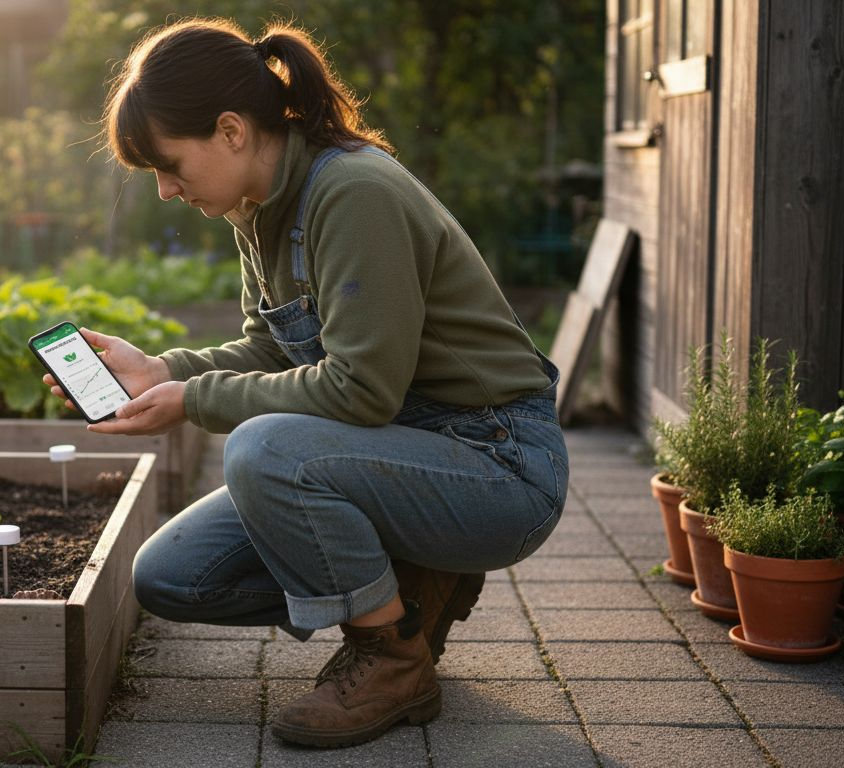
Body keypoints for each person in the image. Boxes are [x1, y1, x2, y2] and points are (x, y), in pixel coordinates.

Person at [42, 17, 568, 748]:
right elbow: (273, 346)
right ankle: (412, 587)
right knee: (171, 576)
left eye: (167, 165)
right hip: (403, 450)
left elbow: (360, 392)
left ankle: (391, 659)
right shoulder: (259, 207)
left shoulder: (352, 192)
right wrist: (167, 370)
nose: (165, 191)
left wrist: (196, 402)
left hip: (499, 463)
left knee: (264, 452)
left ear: (230, 130)